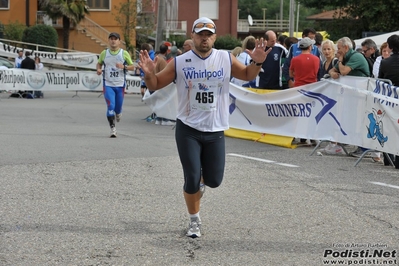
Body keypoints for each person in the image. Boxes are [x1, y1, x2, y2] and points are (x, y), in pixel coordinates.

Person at [138, 16, 271, 238]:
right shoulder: (180, 62)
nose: (204, 39)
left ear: (215, 37)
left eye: (208, 35)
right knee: (190, 178)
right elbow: (156, 84)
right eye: (200, 34)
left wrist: (256, 63)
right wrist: (149, 75)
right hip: (188, 128)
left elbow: (248, 75)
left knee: (214, 181)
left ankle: (201, 180)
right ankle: (194, 220)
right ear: (192, 36)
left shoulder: (225, 59)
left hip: (215, 129)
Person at [328, 37, 381, 161]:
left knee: (362, 121)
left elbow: (344, 71)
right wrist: (332, 73)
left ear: (346, 47)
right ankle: (361, 147)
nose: (337, 51)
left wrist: (340, 61)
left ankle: (370, 150)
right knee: (354, 120)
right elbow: (332, 70)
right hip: (352, 95)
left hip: (361, 95)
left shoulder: (355, 57)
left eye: (339, 48)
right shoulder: (346, 56)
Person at [96, 32, 134, 138]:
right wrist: (99, 69)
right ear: (108, 41)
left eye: (115, 39)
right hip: (108, 84)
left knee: (117, 108)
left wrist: (124, 67)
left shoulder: (124, 53)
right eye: (111, 39)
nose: (113, 41)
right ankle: (113, 129)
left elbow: (132, 66)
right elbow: (99, 63)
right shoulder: (104, 53)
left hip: (120, 85)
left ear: (119, 41)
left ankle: (118, 112)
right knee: (110, 106)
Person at [378, 34, 399, 168]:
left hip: (390, 100)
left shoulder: (384, 62)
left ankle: (387, 158)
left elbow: (380, 81)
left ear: (390, 47)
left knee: (388, 127)